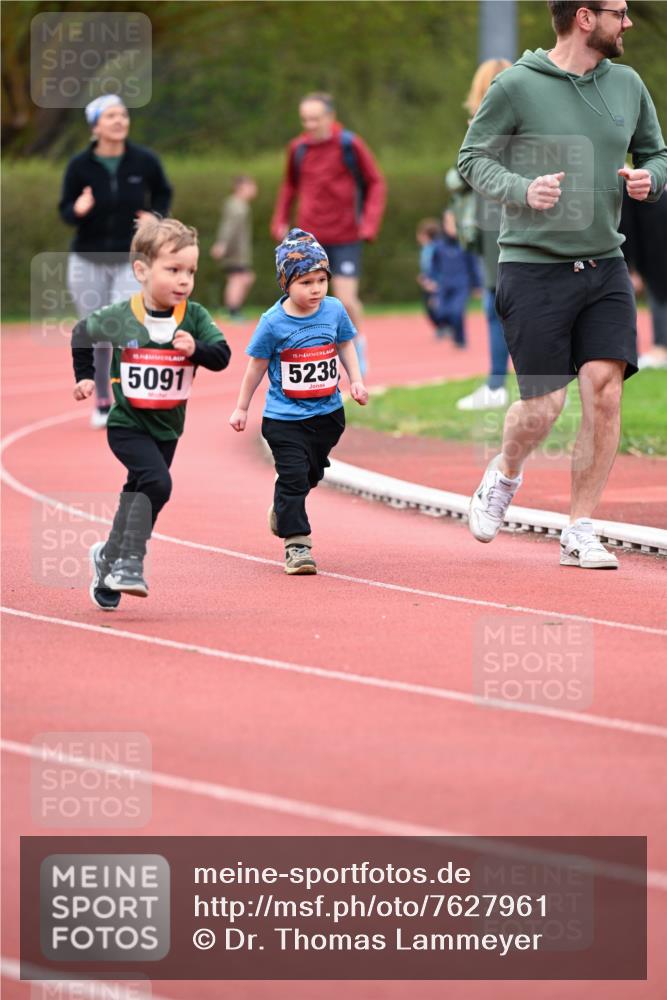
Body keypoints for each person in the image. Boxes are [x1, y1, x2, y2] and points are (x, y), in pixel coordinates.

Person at [458, 0, 667, 570]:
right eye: (619, 13)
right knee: (545, 405)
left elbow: (657, 152)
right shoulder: (516, 86)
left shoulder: (627, 84)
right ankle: (505, 472)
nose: (628, 23)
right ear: (584, 17)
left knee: (605, 390)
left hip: (605, 263)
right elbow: (472, 158)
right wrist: (522, 189)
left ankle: (580, 527)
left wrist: (650, 179)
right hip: (533, 267)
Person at [71, 217, 231, 608]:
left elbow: (222, 355)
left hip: (167, 427)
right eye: (173, 270)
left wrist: (196, 350)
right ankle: (130, 561)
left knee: (137, 492)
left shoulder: (193, 317)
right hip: (127, 424)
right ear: (142, 270)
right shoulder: (123, 314)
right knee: (158, 484)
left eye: (190, 271)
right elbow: (82, 332)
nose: (184, 280)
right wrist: (85, 376)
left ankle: (107, 558)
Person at [229, 228, 368, 575]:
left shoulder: (334, 310)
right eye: (306, 282)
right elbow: (256, 366)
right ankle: (297, 544)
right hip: (284, 419)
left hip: (328, 415)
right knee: (292, 477)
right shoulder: (272, 323)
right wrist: (242, 407)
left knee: (310, 473)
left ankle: (283, 508)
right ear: (286, 283)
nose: (316, 289)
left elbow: (345, 344)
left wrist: (356, 380)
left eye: (321, 280)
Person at [60, 95, 172, 429]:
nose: (120, 120)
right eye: (110, 116)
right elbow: (65, 210)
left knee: (124, 326)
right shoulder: (79, 166)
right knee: (97, 331)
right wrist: (77, 209)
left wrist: (156, 217)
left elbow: (163, 192)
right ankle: (102, 400)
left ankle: (131, 399)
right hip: (87, 258)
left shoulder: (144, 160)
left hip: (130, 257)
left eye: (123, 115)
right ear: (95, 126)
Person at [270, 92, 386, 374]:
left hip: (346, 234)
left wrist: (369, 223)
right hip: (310, 239)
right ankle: (312, 353)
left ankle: (357, 345)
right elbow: (289, 186)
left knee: (345, 300)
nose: (309, 125)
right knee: (307, 298)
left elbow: (376, 182)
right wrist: (280, 219)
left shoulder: (349, 144)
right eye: (305, 119)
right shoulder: (298, 149)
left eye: (315, 119)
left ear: (330, 117)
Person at [454, 58, 513, 411]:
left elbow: (461, 176)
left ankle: (496, 384)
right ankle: (501, 384)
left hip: (495, 221)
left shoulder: (485, 126)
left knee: (497, 306)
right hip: (505, 219)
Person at [620, 183, 667, 368]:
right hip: (648, 258)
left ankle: (660, 348)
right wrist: (631, 268)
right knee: (656, 296)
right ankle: (646, 349)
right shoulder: (634, 185)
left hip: (654, 256)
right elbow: (627, 225)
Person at [430, 209, 482, 347]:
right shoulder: (439, 245)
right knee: (441, 311)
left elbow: (473, 266)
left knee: (457, 312)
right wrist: (432, 280)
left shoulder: (466, 244)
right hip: (444, 285)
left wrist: (477, 285)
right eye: (448, 222)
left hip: (461, 285)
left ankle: (460, 339)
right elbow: (434, 265)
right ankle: (447, 330)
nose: (451, 226)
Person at [210, 175, 258, 320]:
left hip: (238, 251)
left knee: (243, 278)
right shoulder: (237, 205)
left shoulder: (239, 204)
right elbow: (229, 227)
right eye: (251, 186)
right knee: (237, 279)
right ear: (241, 187)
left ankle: (232, 309)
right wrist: (222, 244)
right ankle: (232, 311)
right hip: (235, 252)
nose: (255, 189)